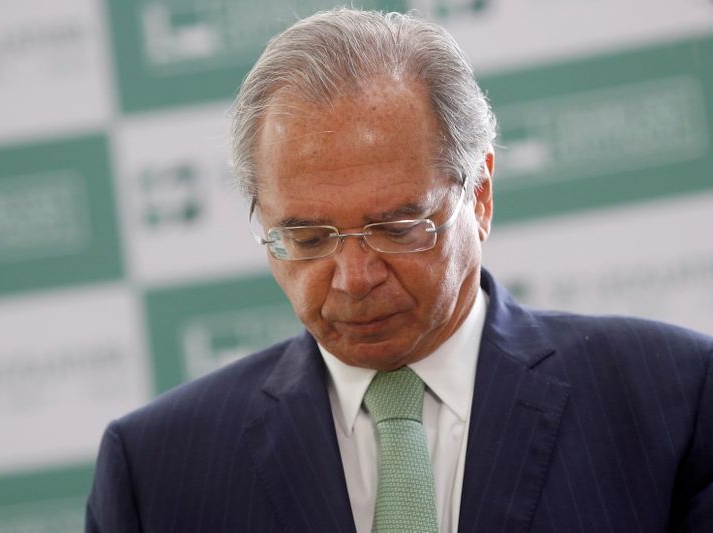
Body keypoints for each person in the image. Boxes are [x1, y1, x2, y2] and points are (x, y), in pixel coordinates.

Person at [86, 7, 712, 533]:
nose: (353, 276)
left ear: (481, 196)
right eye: (306, 236)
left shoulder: (673, 401)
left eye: (397, 227)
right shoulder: (156, 470)